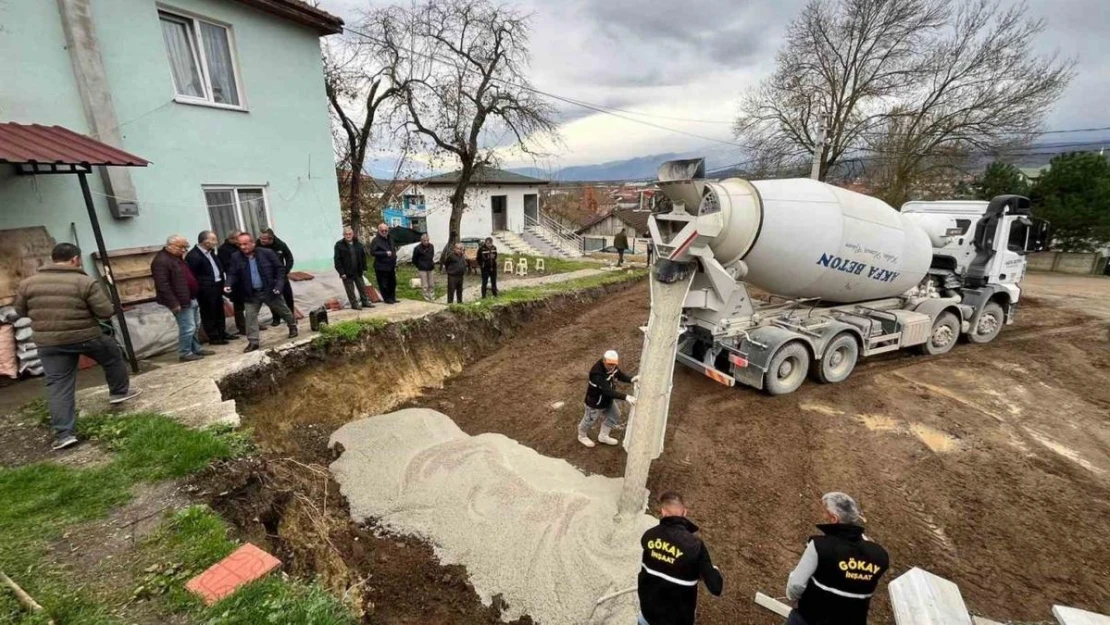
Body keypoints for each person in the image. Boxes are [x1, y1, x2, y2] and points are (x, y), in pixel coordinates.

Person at [14, 243, 142, 450]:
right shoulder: (84, 282)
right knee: (112, 354)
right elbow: (103, 312)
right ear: (75, 259)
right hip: (85, 336)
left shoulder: (28, 283)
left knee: (58, 384)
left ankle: (64, 434)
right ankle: (119, 393)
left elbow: (20, 312)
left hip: (49, 342)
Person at [784, 493, 889, 625]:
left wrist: (793, 597)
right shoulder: (879, 555)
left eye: (825, 513)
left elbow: (796, 585)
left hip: (811, 618)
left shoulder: (819, 546)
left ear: (834, 519)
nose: (822, 516)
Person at [638, 491, 723, 625]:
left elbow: (661, 562)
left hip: (648, 616)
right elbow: (715, 587)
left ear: (663, 512)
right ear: (684, 513)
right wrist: (713, 570)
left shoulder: (648, 536)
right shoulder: (695, 546)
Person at [226, 233, 298, 352]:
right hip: (251, 293)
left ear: (252, 243)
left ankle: (292, 326)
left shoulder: (267, 253)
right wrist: (228, 284)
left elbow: (280, 270)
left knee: (283, 311)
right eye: (240, 245)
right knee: (250, 317)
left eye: (245, 244)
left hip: (269, 290)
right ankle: (253, 342)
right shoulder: (236, 257)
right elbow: (232, 273)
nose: (243, 247)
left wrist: (278, 285)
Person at [152, 234, 211, 362]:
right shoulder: (161, 261)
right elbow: (162, 285)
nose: (184, 250)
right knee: (187, 327)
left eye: (186, 247)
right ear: (171, 246)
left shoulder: (177, 258)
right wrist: (173, 303)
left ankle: (196, 349)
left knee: (195, 325)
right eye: (182, 247)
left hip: (191, 297)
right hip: (180, 300)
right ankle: (185, 353)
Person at [578, 349, 638, 448]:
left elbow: (619, 375)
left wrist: (631, 379)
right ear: (604, 361)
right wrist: (626, 397)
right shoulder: (597, 374)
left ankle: (603, 436)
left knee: (615, 415)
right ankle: (581, 435)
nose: (612, 366)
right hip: (595, 403)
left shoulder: (612, 366)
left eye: (614, 364)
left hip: (607, 400)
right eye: (609, 364)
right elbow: (608, 391)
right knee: (589, 420)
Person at [185, 231, 237, 345]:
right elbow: (192, 275)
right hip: (205, 289)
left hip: (217, 285)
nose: (216, 242)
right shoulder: (193, 256)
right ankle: (214, 337)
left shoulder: (211, 252)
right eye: (213, 239)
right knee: (209, 312)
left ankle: (222, 333)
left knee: (219, 310)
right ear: (205, 241)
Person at [259, 228, 295, 326]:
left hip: (281, 275)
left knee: (288, 297)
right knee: (272, 298)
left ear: (271, 239)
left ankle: (291, 318)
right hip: (267, 276)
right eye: (261, 238)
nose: (261, 240)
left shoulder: (280, 244)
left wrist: (286, 270)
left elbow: (289, 258)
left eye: (264, 239)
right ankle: (276, 318)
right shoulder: (258, 245)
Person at [217, 230, 248, 336]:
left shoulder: (240, 246)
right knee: (239, 306)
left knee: (251, 303)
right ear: (233, 239)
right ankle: (242, 327)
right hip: (235, 281)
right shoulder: (223, 250)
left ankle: (253, 324)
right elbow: (228, 266)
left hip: (246, 279)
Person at [334, 226, 373, 310]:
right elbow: (337, 260)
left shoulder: (358, 244)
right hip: (347, 272)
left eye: (350, 234)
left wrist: (364, 268)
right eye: (346, 234)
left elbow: (363, 257)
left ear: (352, 234)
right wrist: (341, 272)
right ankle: (354, 304)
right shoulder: (339, 245)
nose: (348, 236)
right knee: (350, 290)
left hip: (358, 270)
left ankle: (365, 301)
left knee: (362, 287)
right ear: (343, 235)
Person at [369, 222, 398, 304]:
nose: (384, 232)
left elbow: (393, 249)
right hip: (381, 266)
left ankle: (392, 297)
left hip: (391, 265)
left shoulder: (390, 238)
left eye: (386, 230)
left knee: (392, 282)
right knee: (383, 284)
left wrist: (394, 257)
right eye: (382, 230)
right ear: (379, 231)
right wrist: (385, 253)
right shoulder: (376, 240)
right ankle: (387, 298)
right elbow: (373, 252)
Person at [412, 233, 436, 301]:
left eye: (427, 240)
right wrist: (419, 265)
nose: (426, 242)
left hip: (430, 267)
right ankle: (426, 298)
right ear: (421, 240)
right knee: (425, 285)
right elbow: (414, 259)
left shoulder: (431, 246)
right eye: (424, 240)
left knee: (431, 284)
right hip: (422, 269)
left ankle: (432, 297)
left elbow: (432, 255)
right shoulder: (417, 248)